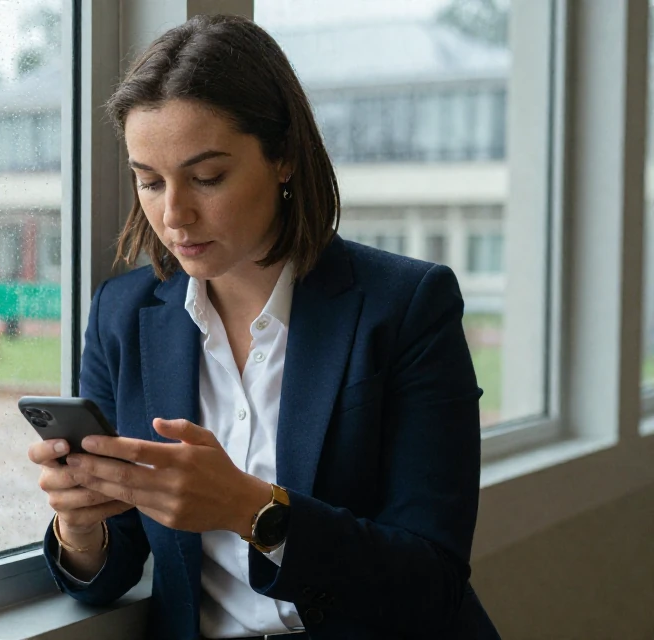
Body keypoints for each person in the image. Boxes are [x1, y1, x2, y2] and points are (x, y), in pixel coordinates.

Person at [27, 14, 500, 640]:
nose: (174, 214)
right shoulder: (122, 315)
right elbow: (116, 566)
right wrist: (79, 524)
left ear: (282, 158)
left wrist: (249, 509)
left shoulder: (407, 305)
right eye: (149, 180)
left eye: (207, 177)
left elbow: (430, 578)